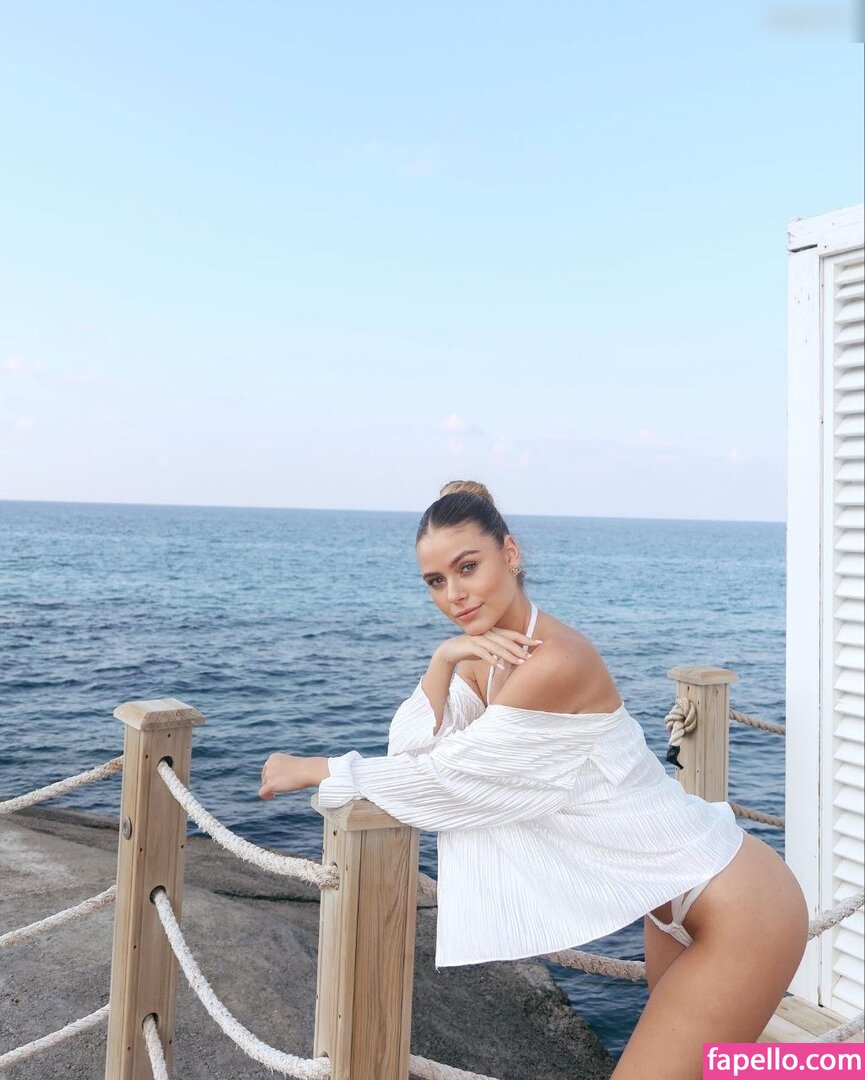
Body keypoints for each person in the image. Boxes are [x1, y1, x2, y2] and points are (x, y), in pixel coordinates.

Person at [258, 480, 809, 1079]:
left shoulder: (557, 660)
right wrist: (445, 657)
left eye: (468, 567)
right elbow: (412, 749)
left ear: (510, 554)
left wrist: (313, 768)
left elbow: (446, 782)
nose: (454, 595)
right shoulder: (485, 660)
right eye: (436, 581)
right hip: (667, 900)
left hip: (738, 901)